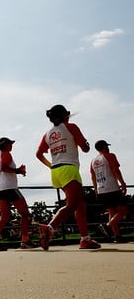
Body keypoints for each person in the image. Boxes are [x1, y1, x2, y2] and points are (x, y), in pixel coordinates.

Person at [35, 104, 101, 250]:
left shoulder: (47, 134)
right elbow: (85, 148)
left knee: (80, 205)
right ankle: (49, 228)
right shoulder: (71, 127)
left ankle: (85, 239)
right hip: (69, 168)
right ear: (66, 115)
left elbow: (39, 154)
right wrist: (85, 143)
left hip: (56, 171)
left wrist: (50, 165)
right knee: (72, 205)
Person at [0, 137, 36, 251]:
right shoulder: (6, 154)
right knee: (25, 214)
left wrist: (18, 170)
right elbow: (5, 168)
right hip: (10, 189)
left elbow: (4, 168)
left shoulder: (0, 156)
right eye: (10, 144)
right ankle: (25, 240)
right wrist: (18, 171)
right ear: (5, 145)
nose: (12, 146)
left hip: (0, 190)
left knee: (5, 217)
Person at [90, 140, 128, 243]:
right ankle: (107, 226)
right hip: (112, 188)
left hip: (101, 189)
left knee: (112, 211)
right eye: (107, 146)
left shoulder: (93, 161)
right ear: (104, 147)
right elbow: (115, 170)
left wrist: (96, 190)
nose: (108, 148)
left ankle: (117, 236)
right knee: (123, 211)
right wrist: (122, 183)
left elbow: (93, 177)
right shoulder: (110, 156)